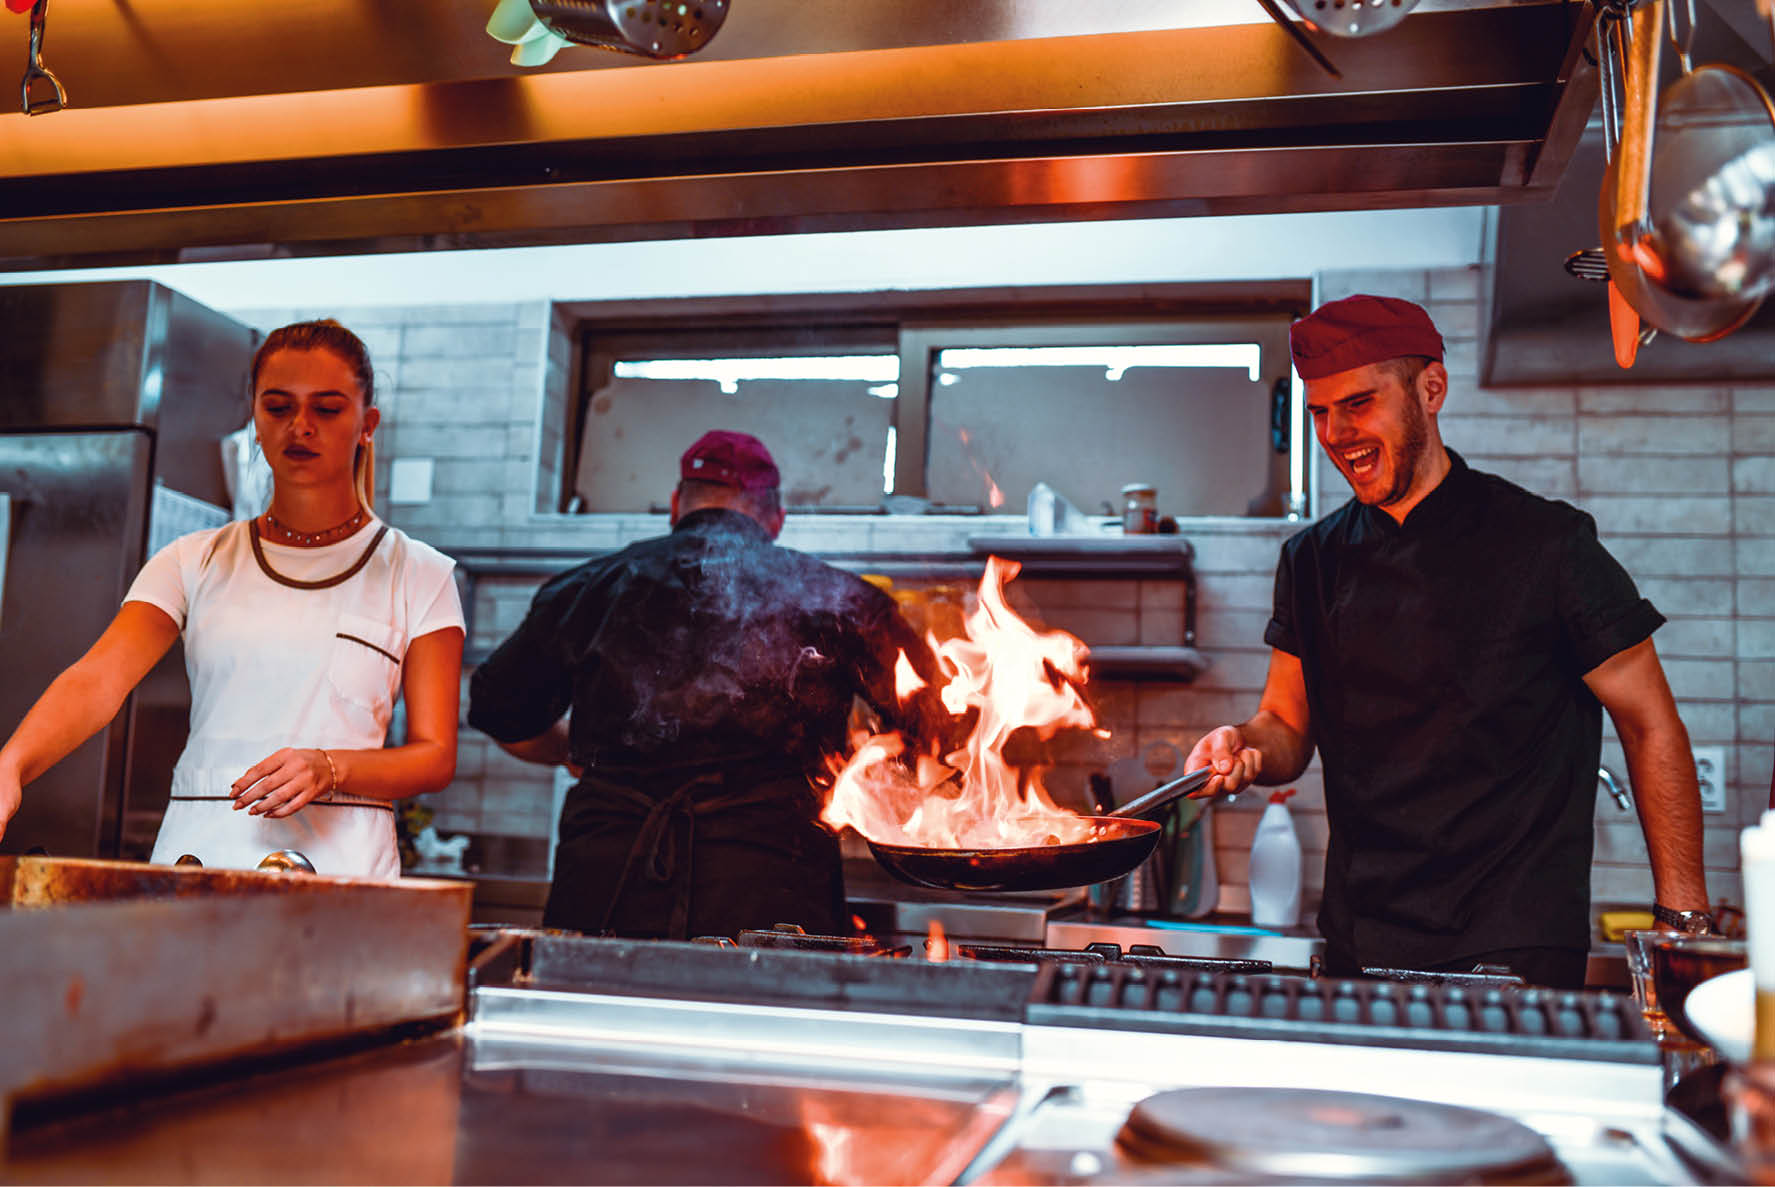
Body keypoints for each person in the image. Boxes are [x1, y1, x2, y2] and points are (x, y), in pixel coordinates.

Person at [1187, 294, 1709, 989]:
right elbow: (1284, 723)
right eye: (1319, 412)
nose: (1337, 432)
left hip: (1513, 951)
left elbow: (1649, 725)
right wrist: (1245, 746)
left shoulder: (1547, 545)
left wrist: (1684, 924)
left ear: (1429, 388)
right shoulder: (1312, 559)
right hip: (1357, 947)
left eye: (1358, 403)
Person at [0, 320, 464, 878]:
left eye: (327, 408)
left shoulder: (419, 573)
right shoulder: (193, 559)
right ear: (255, 422)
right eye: (278, 407)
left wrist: (331, 767)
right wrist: (13, 764)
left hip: (343, 873)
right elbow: (98, 680)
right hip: (196, 857)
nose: (301, 426)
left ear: (367, 425)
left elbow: (434, 756)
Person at [468, 429, 946, 941]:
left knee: (602, 1015)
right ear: (776, 519)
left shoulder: (588, 588)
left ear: (676, 504)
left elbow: (499, 710)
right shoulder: (847, 601)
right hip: (773, 889)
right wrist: (857, 770)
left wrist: (572, 749)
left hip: (608, 882)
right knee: (759, 1019)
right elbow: (935, 733)